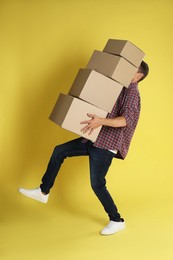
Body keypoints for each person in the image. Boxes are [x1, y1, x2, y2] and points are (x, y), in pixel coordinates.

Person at [19, 61, 149, 235]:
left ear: (139, 76)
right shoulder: (121, 88)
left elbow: (125, 121)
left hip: (106, 145)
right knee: (60, 151)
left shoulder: (132, 93)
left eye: (131, 70)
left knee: (97, 184)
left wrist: (99, 122)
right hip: (94, 138)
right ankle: (43, 191)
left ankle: (117, 220)